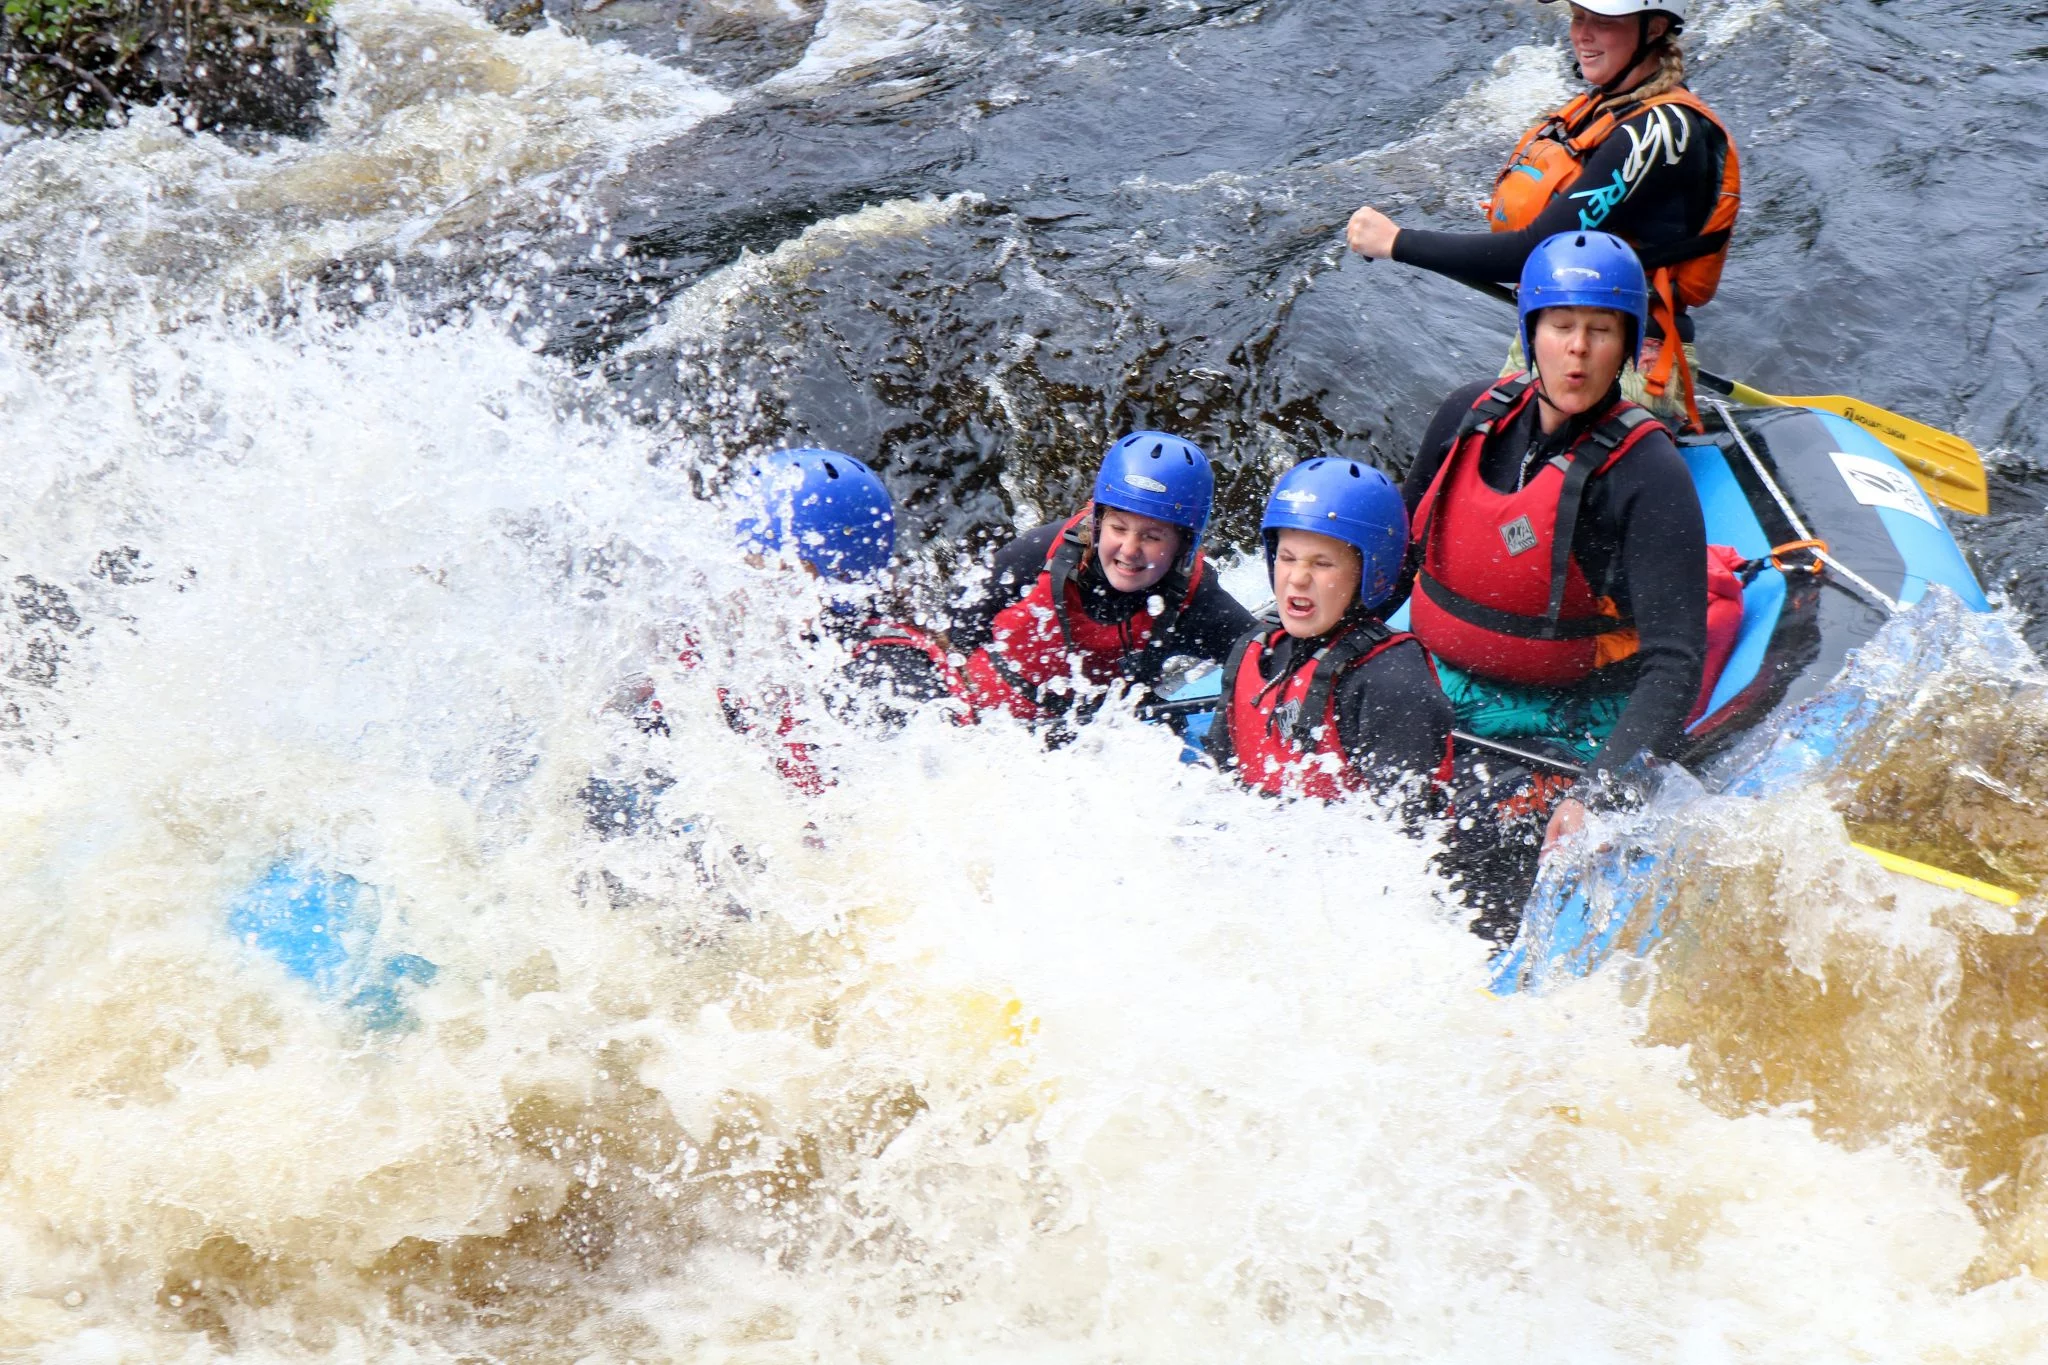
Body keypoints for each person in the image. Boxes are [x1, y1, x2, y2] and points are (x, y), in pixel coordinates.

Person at [1403, 231, 1710, 852]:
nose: (1578, 349)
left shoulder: (1649, 473)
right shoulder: (1468, 415)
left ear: (1627, 345)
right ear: (1531, 332)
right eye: (1561, 326)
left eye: (1601, 330)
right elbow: (1395, 561)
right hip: (1444, 682)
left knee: (1470, 837)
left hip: (1572, 720)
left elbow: (1674, 663)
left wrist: (1596, 792)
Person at [1345, 0, 1739, 426]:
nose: (1583, 34)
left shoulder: (1659, 132)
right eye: (1578, 17)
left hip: (1625, 363)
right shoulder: (1608, 107)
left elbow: (1535, 251)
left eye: (1603, 22)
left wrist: (1397, 242)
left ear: (1654, 28)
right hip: (1555, 343)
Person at [951, 432, 1253, 724]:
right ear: (1097, 524)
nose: (1130, 550)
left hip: (1107, 733)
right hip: (993, 725)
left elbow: (1261, 659)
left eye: (1152, 537)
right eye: (1118, 529)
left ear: (1184, 544)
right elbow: (942, 639)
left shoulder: (1196, 599)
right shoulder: (1036, 555)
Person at [1207, 457, 1454, 807]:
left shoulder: (1393, 680)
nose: (1297, 578)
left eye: (1322, 563)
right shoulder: (1253, 648)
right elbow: (1217, 781)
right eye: (1287, 558)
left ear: (1371, 572)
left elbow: (1405, 827)